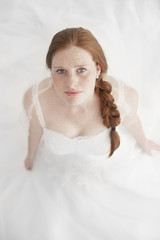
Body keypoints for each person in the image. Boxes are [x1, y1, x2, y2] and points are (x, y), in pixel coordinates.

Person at [0, 27, 160, 240]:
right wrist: (30, 156)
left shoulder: (123, 96)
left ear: (97, 68)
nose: (71, 83)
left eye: (81, 70)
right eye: (60, 71)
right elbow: (35, 129)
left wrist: (145, 142)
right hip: (58, 177)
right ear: (51, 71)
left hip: (109, 174)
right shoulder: (36, 100)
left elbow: (131, 120)